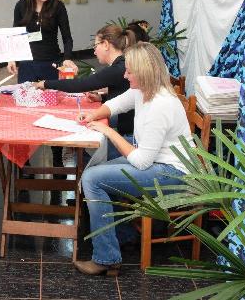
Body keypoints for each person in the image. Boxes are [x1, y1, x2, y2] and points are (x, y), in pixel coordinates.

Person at [73, 42, 191, 276]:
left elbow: (141, 162)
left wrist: (109, 132)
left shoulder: (161, 105)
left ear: (145, 72)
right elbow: (117, 103)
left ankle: (106, 258)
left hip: (173, 174)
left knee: (93, 179)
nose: (125, 75)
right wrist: (94, 114)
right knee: (96, 171)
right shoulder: (144, 90)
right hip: (157, 163)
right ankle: (123, 237)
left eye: (129, 71)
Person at [8, 0, 76, 173]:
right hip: (27, 64)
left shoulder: (58, 6)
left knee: (53, 110)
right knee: (24, 110)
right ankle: (23, 159)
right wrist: (12, 58)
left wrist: (66, 59)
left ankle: (57, 156)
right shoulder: (21, 6)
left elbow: (67, 37)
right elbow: (16, 34)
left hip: (50, 63)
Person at [35, 24, 136, 160]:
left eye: (95, 46)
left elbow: (82, 84)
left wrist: (46, 83)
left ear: (106, 44)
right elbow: (123, 93)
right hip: (129, 127)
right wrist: (102, 98)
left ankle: (82, 165)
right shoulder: (122, 64)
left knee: (76, 152)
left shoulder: (117, 68)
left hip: (131, 139)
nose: (94, 52)